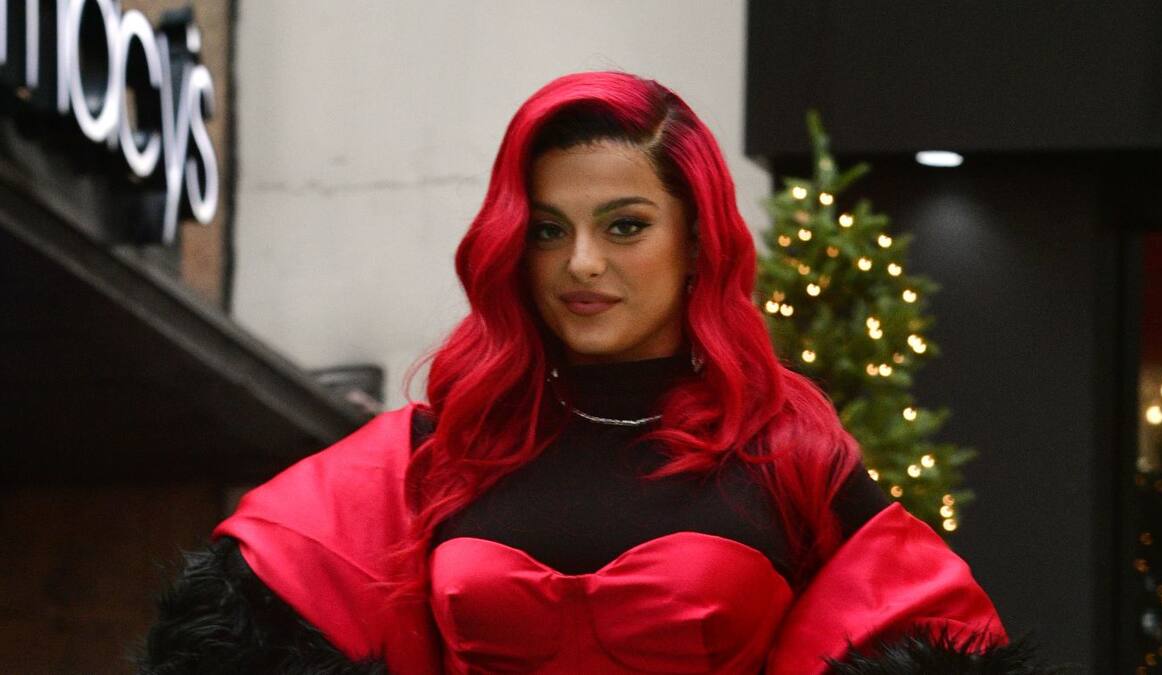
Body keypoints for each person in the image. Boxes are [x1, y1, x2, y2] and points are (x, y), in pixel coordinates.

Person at [139, 72, 1050, 674]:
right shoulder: (438, 450)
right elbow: (247, 618)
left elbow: (941, 638)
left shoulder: (787, 454)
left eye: (624, 225)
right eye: (547, 229)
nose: (580, 263)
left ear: (697, 241)